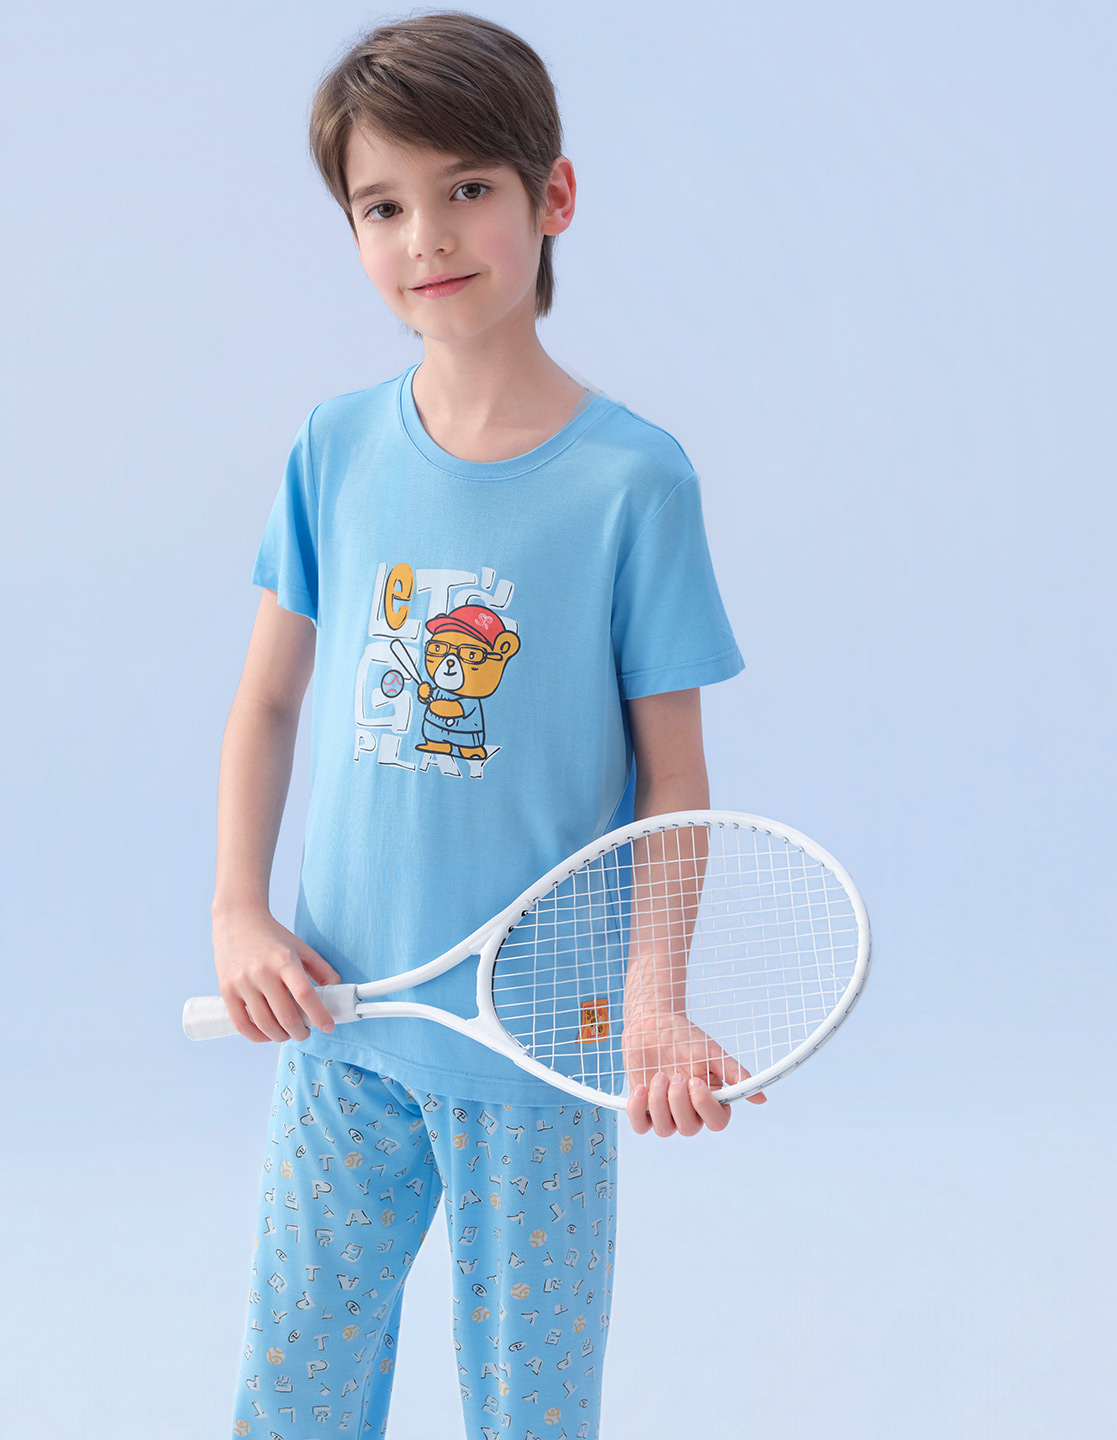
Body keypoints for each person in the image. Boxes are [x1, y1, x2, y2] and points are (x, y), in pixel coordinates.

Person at [210, 13, 756, 1438]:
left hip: (539, 1046)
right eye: (382, 206)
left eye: (466, 189)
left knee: (532, 1410)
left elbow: (674, 781)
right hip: (339, 1022)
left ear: (551, 197)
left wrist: (652, 1000)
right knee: (296, 1388)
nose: (427, 236)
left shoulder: (634, 484)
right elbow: (267, 701)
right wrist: (239, 912)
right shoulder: (333, 447)